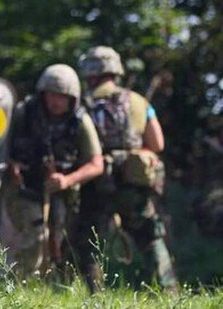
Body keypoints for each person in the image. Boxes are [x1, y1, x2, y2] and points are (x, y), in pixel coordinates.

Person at [77, 46, 177, 291]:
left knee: (89, 243)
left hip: (96, 183)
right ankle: (170, 292)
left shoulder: (83, 104)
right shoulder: (138, 101)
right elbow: (157, 144)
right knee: (150, 237)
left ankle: (96, 297)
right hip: (133, 184)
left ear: (89, 72)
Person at [5, 64, 104, 279]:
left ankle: (54, 288)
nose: (55, 101)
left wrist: (67, 180)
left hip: (63, 193)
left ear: (72, 99)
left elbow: (97, 164)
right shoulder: (25, 113)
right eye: (51, 95)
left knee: (61, 243)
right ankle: (14, 288)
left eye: (62, 96)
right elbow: (1, 148)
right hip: (25, 189)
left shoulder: (80, 122)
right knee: (35, 234)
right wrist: (11, 164)